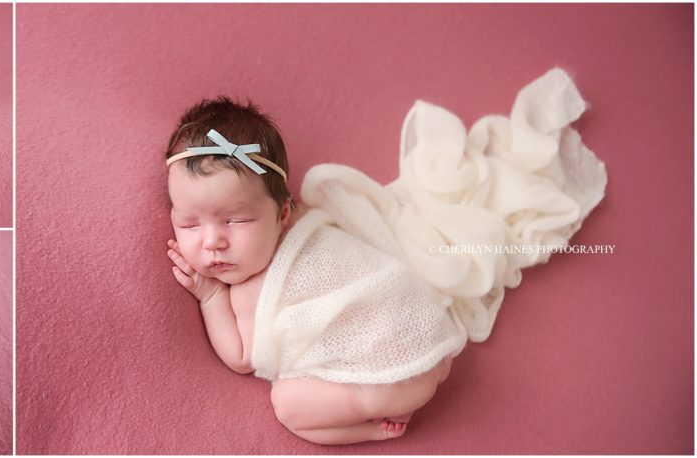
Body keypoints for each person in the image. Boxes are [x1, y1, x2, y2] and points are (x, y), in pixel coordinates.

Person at [164, 68, 606, 444]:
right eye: (189, 224)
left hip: (398, 362)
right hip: (427, 333)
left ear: (283, 215)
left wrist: (210, 297)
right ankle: (389, 399)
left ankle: (374, 421)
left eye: (236, 221)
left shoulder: (262, 278)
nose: (213, 241)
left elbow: (241, 356)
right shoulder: (291, 227)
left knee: (287, 404)